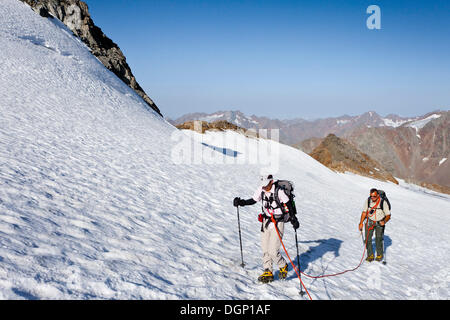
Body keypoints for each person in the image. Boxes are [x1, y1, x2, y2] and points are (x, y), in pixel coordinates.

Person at [233, 174, 299, 283]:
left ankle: (283, 265)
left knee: (273, 250)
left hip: (278, 223)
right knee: (265, 249)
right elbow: (254, 200)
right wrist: (242, 202)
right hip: (266, 222)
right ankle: (268, 271)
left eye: (266, 185)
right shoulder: (261, 189)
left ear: (271, 182)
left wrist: (293, 219)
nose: (264, 187)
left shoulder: (279, 191)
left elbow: (289, 205)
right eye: (262, 185)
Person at [358, 188, 391, 262]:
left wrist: (384, 221)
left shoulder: (383, 202)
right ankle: (370, 255)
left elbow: (388, 215)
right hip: (369, 221)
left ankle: (379, 255)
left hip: (380, 222)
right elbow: (364, 212)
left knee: (378, 239)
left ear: (378, 195)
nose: (372, 198)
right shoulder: (368, 200)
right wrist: (361, 223)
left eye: (374, 196)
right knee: (367, 239)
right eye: (371, 196)